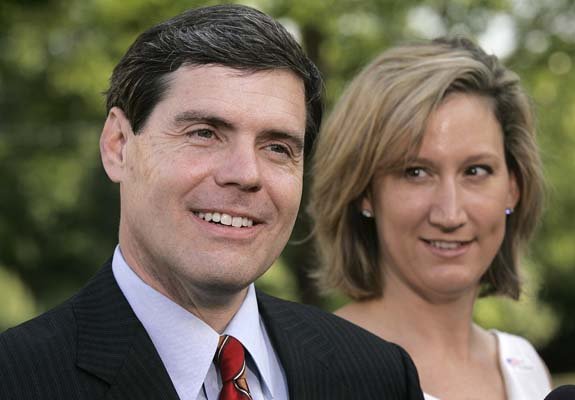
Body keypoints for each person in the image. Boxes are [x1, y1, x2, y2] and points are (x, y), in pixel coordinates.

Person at [0, 5, 424, 400]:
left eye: (277, 147)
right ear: (118, 146)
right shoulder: (16, 378)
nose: (245, 174)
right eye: (204, 132)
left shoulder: (378, 375)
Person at [309, 37, 551, 400]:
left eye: (476, 170)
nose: (449, 214)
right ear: (364, 192)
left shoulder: (526, 366)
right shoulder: (314, 367)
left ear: (513, 189)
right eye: (416, 172)